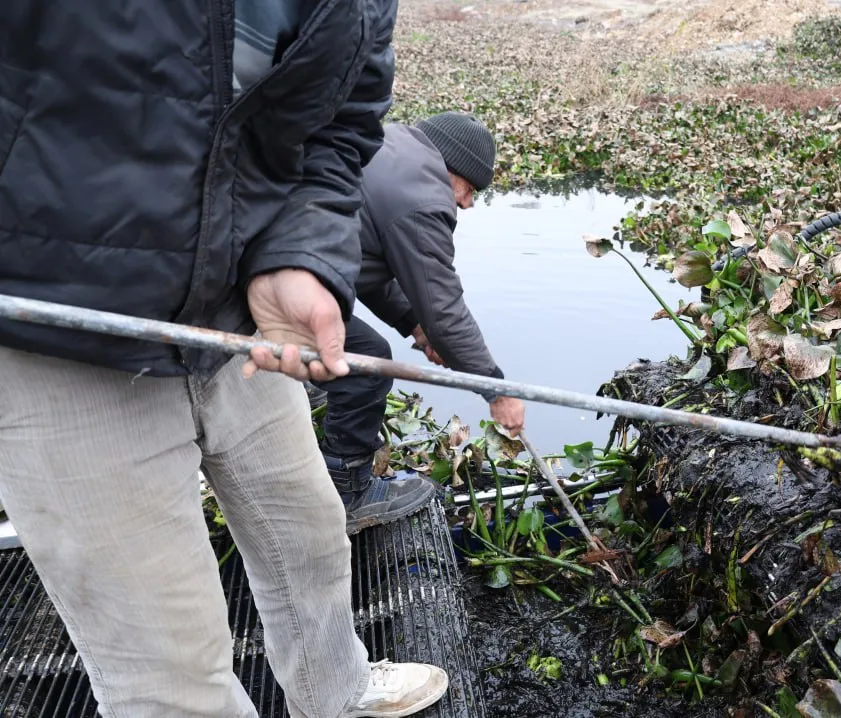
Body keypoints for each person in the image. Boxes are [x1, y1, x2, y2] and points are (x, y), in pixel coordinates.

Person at [0, 1, 449, 716]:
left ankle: (338, 694)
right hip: (52, 334)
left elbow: (339, 127)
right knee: (166, 661)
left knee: (309, 541)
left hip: (241, 320)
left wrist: (297, 256)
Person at [309, 112, 526, 534]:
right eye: (470, 188)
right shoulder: (425, 198)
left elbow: (369, 264)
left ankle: (323, 457)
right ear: (452, 168)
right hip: (279, 286)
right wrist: (495, 391)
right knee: (368, 365)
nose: (467, 202)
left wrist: (415, 324)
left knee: (353, 356)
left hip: (285, 266)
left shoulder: (391, 149)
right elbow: (444, 309)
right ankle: (348, 495)